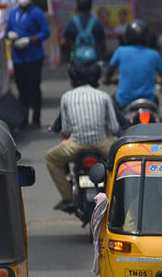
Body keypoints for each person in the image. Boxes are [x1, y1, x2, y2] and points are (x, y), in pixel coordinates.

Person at [47, 62, 122, 212]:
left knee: (50, 158)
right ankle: (117, 194)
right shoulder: (104, 96)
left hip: (75, 145)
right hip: (102, 144)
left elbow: (66, 129)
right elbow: (114, 127)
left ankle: (68, 198)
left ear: (73, 80)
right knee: (122, 161)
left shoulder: (67, 97)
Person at [6, 0, 50, 127]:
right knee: (21, 88)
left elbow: (45, 32)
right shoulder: (13, 13)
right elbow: (7, 31)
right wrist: (10, 35)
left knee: (34, 87)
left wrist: (30, 39)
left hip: (34, 56)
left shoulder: (37, 13)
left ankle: (36, 118)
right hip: (18, 57)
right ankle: (23, 119)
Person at [105, 19, 162, 109]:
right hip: (148, 100)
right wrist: (160, 81)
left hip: (124, 101)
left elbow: (108, 74)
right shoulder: (154, 54)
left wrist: (107, 80)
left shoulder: (120, 51)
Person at [62, 0, 107, 64]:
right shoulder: (97, 23)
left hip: (76, 62)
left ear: (77, 7)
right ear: (90, 7)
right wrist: (102, 60)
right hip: (93, 62)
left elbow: (63, 41)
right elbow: (103, 45)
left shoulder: (71, 23)